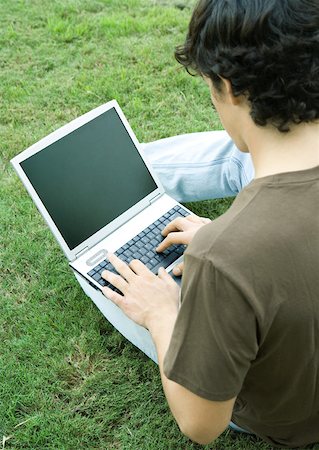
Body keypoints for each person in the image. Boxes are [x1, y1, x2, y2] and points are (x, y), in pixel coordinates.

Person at [99, 0, 319, 447]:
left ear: (229, 87)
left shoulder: (222, 257)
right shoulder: (226, 249)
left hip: (281, 419)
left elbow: (201, 425)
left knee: (107, 276)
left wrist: (162, 313)